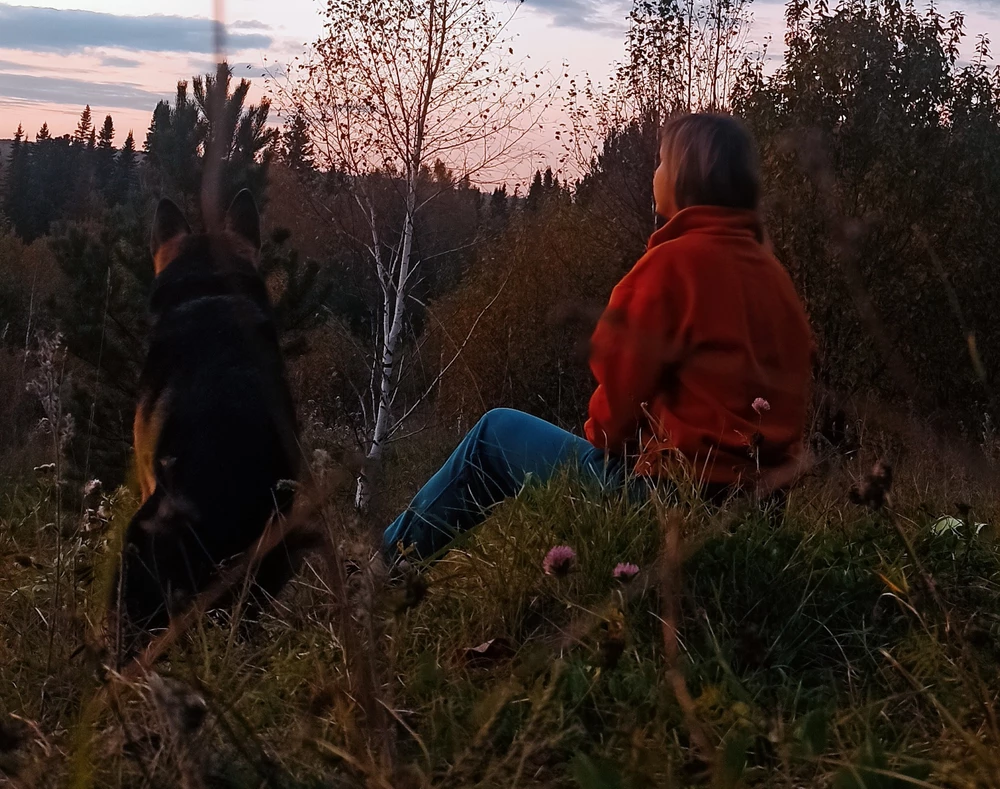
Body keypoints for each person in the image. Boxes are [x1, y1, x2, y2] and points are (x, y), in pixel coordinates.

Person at [383, 113, 814, 564]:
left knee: (494, 434)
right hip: (759, 522)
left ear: (685, 178)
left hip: (671, 511)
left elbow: (612, 423)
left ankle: (377, 572)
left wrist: (614, 446)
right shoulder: (775, 279)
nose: (655, 174)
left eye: (661, 162)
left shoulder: (670, 267)